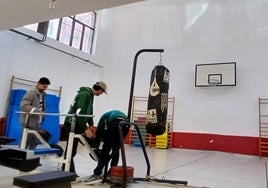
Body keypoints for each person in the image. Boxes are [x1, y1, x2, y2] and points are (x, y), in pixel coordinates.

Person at [62, 81, 107, 177]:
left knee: (90, 144)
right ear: (100, 89)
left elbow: (89, 110)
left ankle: (100, 168)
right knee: (72, 148)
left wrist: (91, 124)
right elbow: (80, 113)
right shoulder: (85, 95)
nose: (101, 94)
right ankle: (67, 170)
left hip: (77, 123)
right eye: (102, 92)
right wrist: (85, 129)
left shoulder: (89, 95)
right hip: (72, 123)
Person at [83, 110, 130, 185]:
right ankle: (112, 172)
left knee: (106, 149)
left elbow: (99, 134)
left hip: (115, 123)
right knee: (116, 149)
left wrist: (97, 145)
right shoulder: (109, 116)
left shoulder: (102, 119)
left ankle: (97, 173)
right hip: (126, 124)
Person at [20, 77, 51, 150]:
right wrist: (37, 111)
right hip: (29, 122)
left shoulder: (43, 95)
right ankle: (20, 157)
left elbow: (42, 107)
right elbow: (24, 106)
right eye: (44, 86)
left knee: (35, 141)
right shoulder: (31, 93)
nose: (45, 88)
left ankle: (30, 157)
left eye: (46, 87)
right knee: (25, 141)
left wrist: (42, 115)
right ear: (39, 84)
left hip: (37, 122)